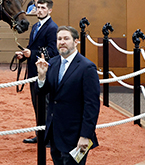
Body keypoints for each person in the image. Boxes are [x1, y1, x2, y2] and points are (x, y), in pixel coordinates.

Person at [36, 26, 100, 164]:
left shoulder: (87, 67)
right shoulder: (52, 63)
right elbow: (43, 92)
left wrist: (85, 135)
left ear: (76, 42)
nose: (62, 42)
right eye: (59, 39)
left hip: (75, 137)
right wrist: (41, 77)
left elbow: (92, 105)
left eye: (66, 38)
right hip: (55, 134)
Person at [15, 0, 58, 144]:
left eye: (43, 8)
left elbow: (53, 51)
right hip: (34, 72)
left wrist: (31, 54)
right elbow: (32, 47)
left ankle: (49, 137)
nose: (39, 10)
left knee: (45, 105)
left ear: (50, 10)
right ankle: (40, 135)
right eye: (38, 7)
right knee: (37, 105)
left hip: (45, 73)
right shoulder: (35, 27)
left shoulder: (52, 28)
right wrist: (23, 55)